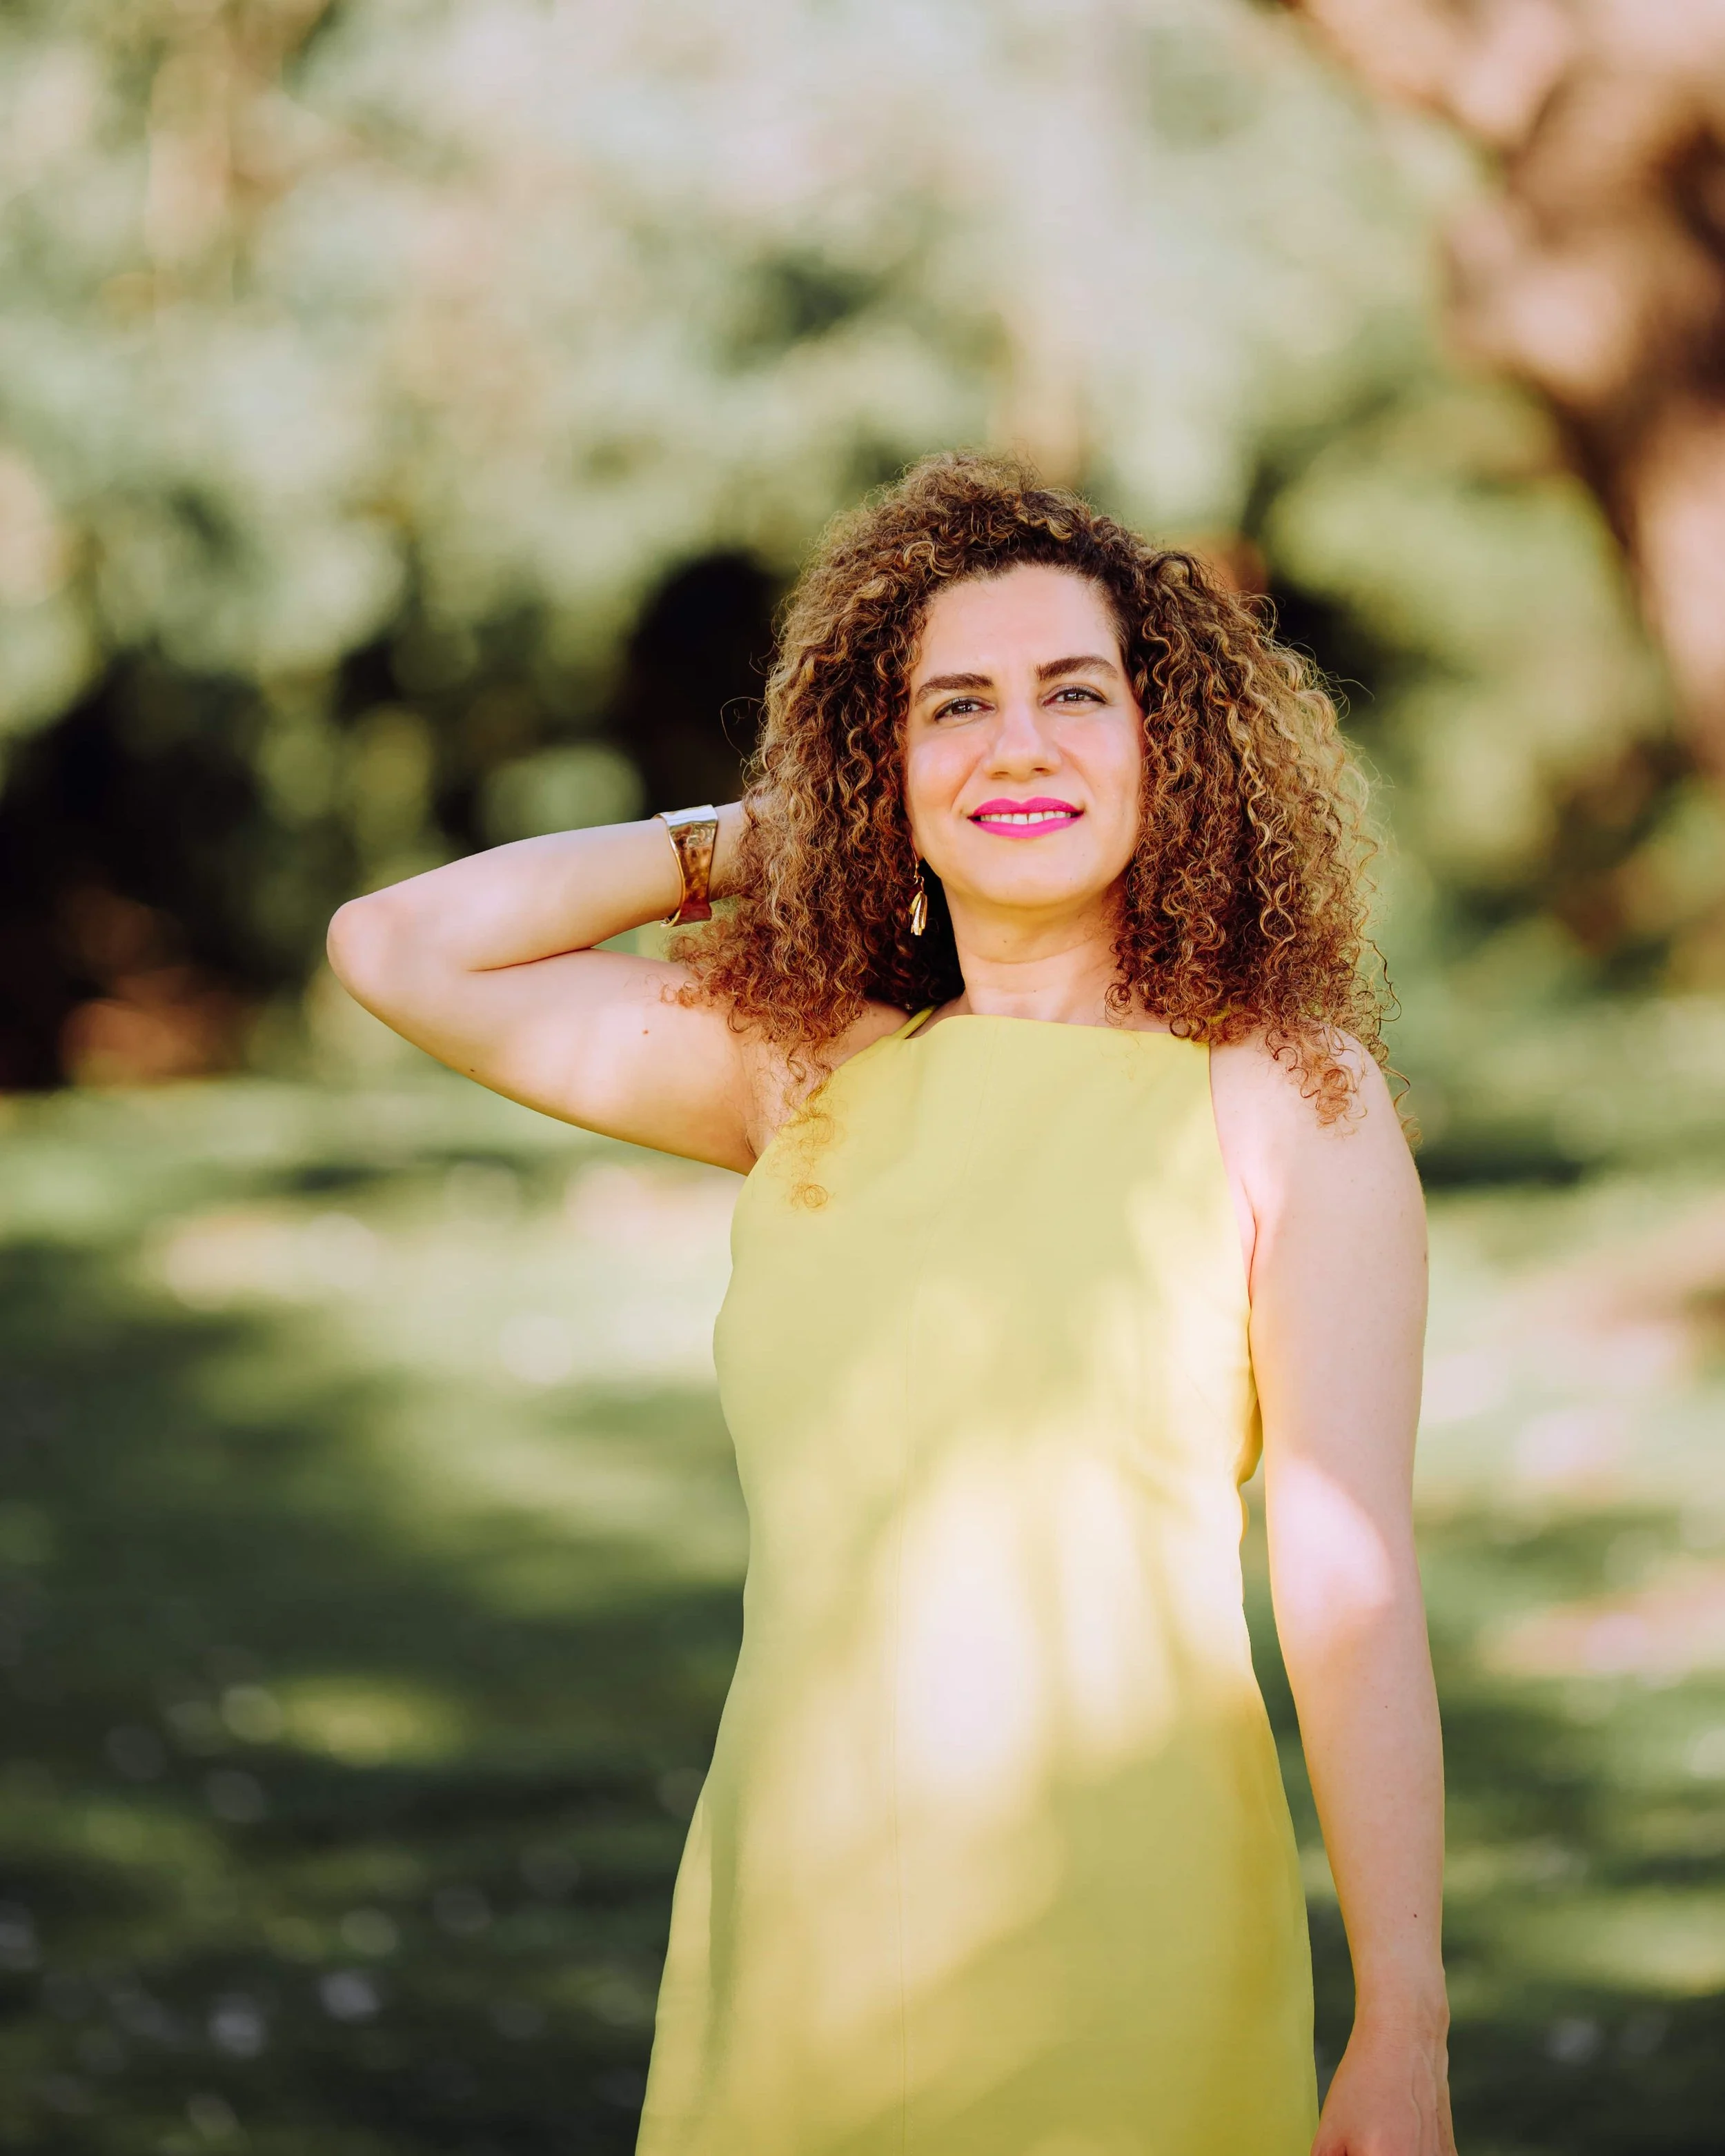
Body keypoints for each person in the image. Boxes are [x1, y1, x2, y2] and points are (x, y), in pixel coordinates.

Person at [328, 453, 1453, 2156]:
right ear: (887, 767)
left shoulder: (1285, 1092)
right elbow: (400, 945)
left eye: (1077, 695)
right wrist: (765, 839)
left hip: (1124, 1918)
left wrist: (1404, 2014)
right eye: (953, 709)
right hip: (796, 1911)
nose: (1018, 743)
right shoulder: (802, 1072)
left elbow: (1345, 1564)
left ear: (1172, 744)